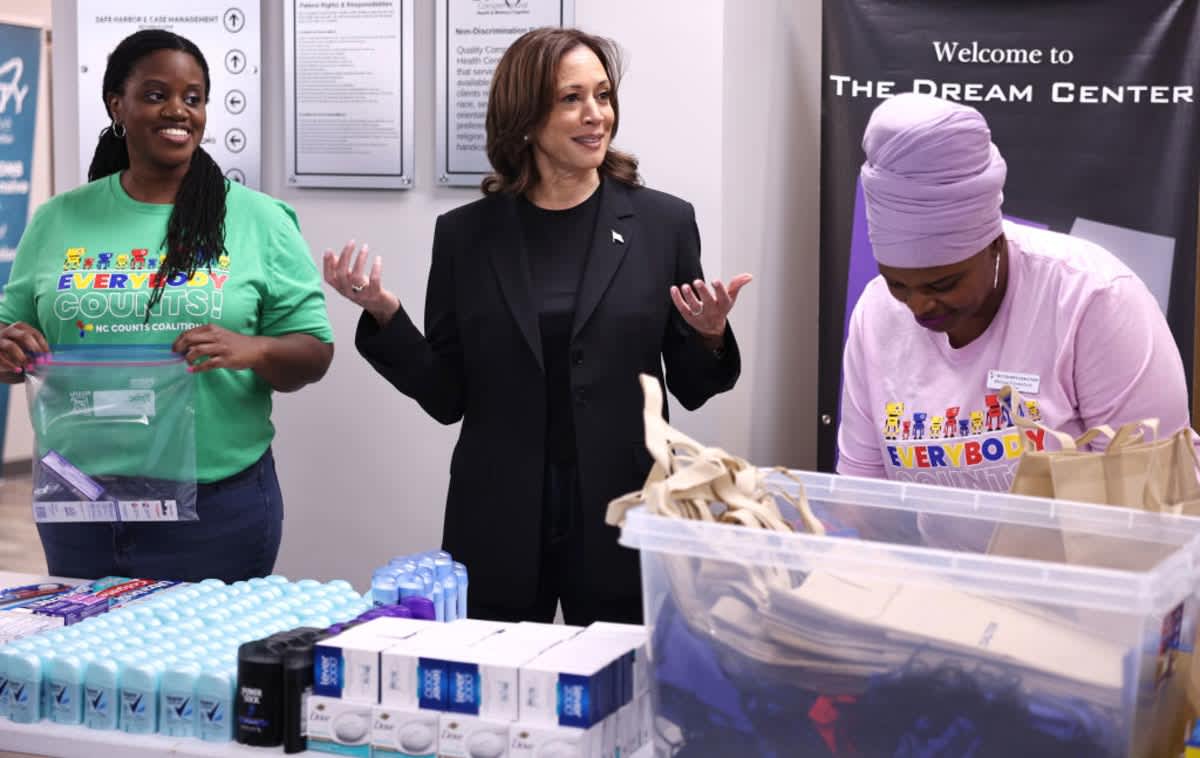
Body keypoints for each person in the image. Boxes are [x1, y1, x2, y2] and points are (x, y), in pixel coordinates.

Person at [325, 27, 750, 625]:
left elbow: (692, 385)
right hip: (498, 515)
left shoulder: (663, 224)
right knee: (488, 695)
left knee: (621, 687)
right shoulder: (466, 236)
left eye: (602, 96)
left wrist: (707, 334)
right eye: (572, 98)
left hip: (623, 510)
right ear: (526, 118)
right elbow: (448, 396)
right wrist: (385, 317)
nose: (595, 114)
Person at [0, 30, 334, 581]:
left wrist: (251, 349)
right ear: (117, 105)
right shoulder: (58, 220)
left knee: (203, 667)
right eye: (156, 95)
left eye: (193, 97)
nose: (178, 110)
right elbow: (11, 335)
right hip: (80, 502)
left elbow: (313, 353)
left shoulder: (259, 219)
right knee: (87, 666)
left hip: (216, 511)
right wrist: (8, 349)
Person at [837, 93, 1194, 498]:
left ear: (993, 243)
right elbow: (863, 497)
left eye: (943, 284)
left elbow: (1155, 497)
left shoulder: (1091, 299)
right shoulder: (876, 311)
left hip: (1092, 560)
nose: (919, 306)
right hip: (936, 562)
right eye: (898, 284)